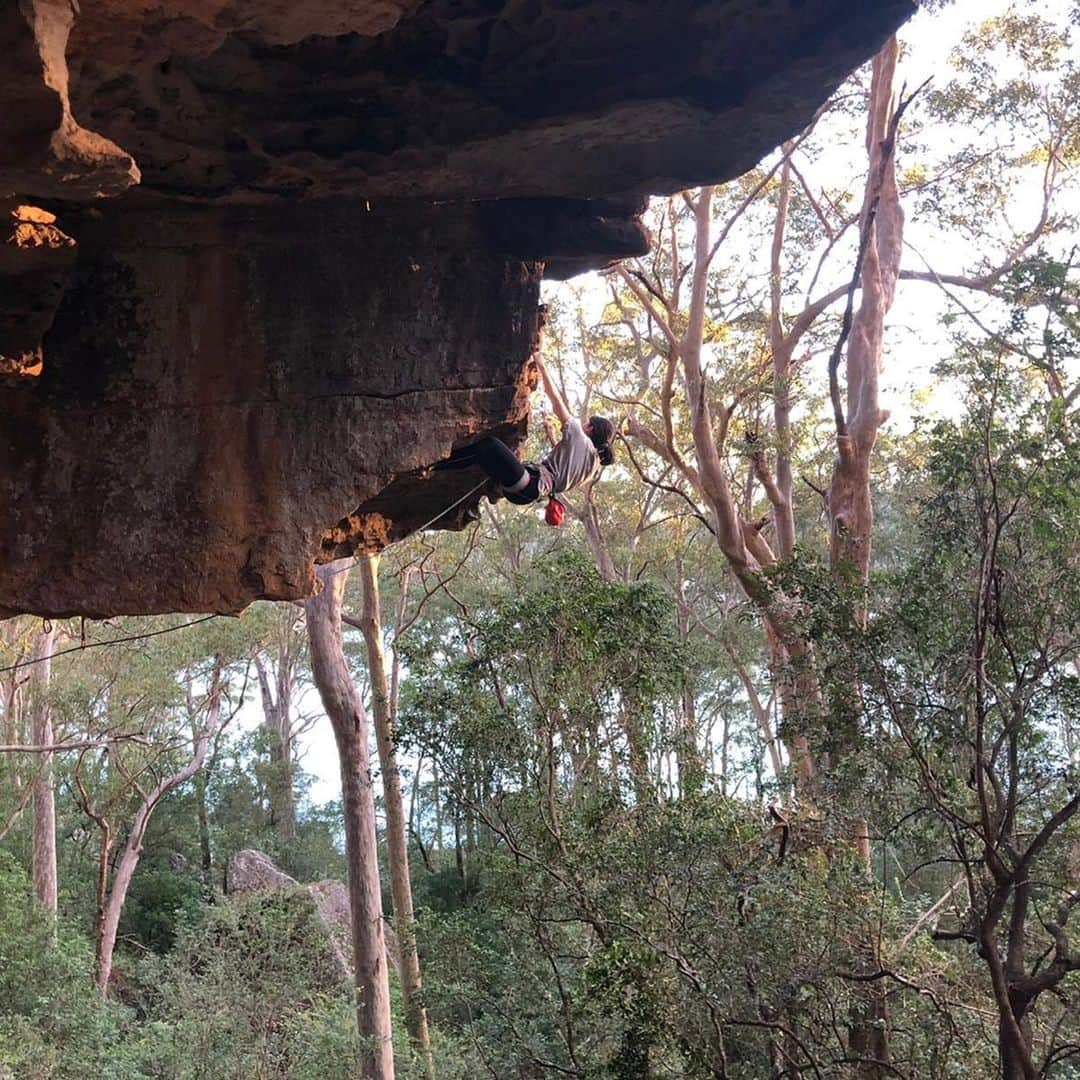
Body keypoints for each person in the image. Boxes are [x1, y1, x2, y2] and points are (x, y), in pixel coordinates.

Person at [436, 357, 615, 507]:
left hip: (529, 482)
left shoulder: (578, 435)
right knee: (488, 459)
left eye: (586, 423)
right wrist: (552, 436)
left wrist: (542, 364)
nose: (583, 424)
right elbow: (564, 467)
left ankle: (437, 463)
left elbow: (557, 401)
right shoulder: (592, 465)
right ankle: (441, 466)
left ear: (591, 428)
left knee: (489, 446)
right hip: (528, 493)